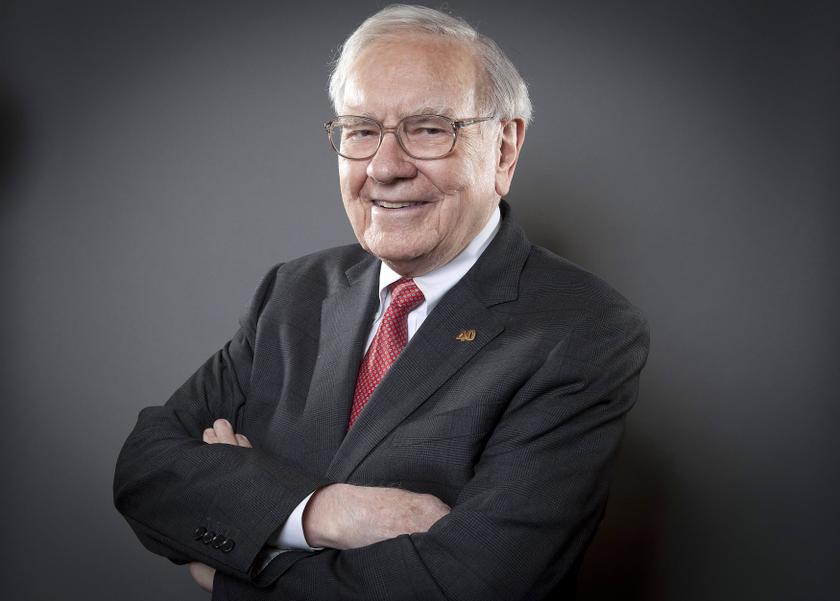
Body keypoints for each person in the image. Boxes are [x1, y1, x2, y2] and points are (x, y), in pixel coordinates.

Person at [114, 5, 649, 600]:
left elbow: (474, 584)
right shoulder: (293, 292)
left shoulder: (580, 328)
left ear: (504, 149)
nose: (385, 168)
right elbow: (146, 470)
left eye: (427, 129)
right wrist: (331, 511)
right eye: (362, 130)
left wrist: (239, 560)